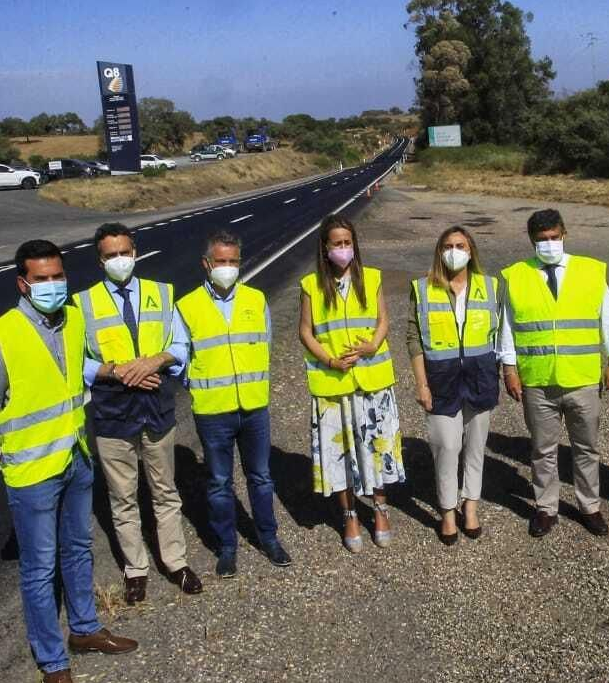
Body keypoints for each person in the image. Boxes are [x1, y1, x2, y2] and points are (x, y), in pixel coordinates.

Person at [0, 239, 137, 683]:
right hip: (31, 471)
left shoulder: (74, 317)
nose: (52, 285)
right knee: (40, 570)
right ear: (23, 283)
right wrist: (4, 452)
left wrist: (108, 372)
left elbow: (72, 369)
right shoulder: (2, 336)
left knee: (79, 549)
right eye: (41, 279)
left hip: (75, 457)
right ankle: (53, 662)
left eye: (57, 276)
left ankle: (84, 629)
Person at [75, 222, 202, 600]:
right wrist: (118, 373)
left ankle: (175, 563)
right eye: (110, 255)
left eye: (124, 252)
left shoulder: (161, 295)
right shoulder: (83, 304)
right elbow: (76, 361)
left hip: (156, 408)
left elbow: (180, 346)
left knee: (165, 491)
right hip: (113, 413)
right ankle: (136, 569)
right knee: (123, 496)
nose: (119, 260)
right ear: (100, 260)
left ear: (135, 252)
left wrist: (153, 361)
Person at [168, 230, 292, 579]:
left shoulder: (255, 298)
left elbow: (265, 344)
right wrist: (196, 382)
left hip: (254, 407)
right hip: (213, 411)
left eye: (233, 261)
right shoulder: (188, 306)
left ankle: (268, 538)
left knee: (261, 477)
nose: (227, 268)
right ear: (207, 264)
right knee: (220, 483)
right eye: (220, 262)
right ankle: (226, 549)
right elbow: (180, 356)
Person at [500, 209, 609, 537]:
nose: (549, 244)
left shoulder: (589, 270)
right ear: (532, 241)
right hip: (538, 380)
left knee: (586, 447)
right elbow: (508, 327)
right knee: (542, 449)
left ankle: (590, 506)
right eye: (542, 240)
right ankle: (546, 508)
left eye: (554, 237)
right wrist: (509, 369)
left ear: (564, 234)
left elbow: (608, 320)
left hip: (582, 378)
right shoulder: (517, 276)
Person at [298, 215, 405, 552]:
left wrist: (374, 343)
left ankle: (381, 510)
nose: (343, 249)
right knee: (339, 453)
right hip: (334, 383)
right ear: (325, 247)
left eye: (348, 242)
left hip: (372, 380)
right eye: (336, 243)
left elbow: (383, 319)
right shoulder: (311, 285)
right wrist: (329, 359)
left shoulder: (370, 278)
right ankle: (349, 516)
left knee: (377, 449)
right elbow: (305, 331)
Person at [406, 225, 500, 544]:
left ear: (471, 249)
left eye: (460, 245)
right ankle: (447, 511)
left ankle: (470, 507)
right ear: (439, 252)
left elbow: (500, 334)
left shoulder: (490, 286)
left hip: (480, 379)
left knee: (475, 448)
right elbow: (414, 338)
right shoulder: (422, 288)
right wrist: (421, 384)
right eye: (448, 245)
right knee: (446, 447)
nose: (454, 251)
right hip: (440, 380)